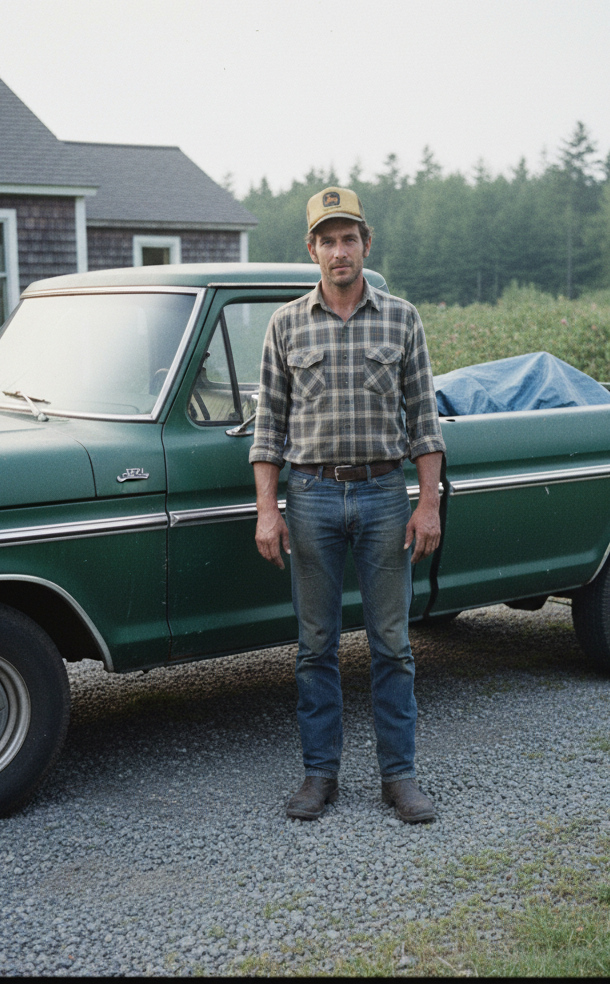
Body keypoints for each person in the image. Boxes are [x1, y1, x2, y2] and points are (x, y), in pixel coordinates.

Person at [249, 186, 446, 823]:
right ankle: (318, 776)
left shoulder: (403, 319)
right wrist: (268, 510)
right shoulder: (285, 324)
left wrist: (428, 504)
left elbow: (425, 420)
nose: (340, 251)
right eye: (327, 240)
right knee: (315, 646)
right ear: (312, 249)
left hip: (387, 496)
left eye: (349, 237)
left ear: (366, 243)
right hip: (309, 499)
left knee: (392, 644)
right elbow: (266, 429)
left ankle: (400, 777)